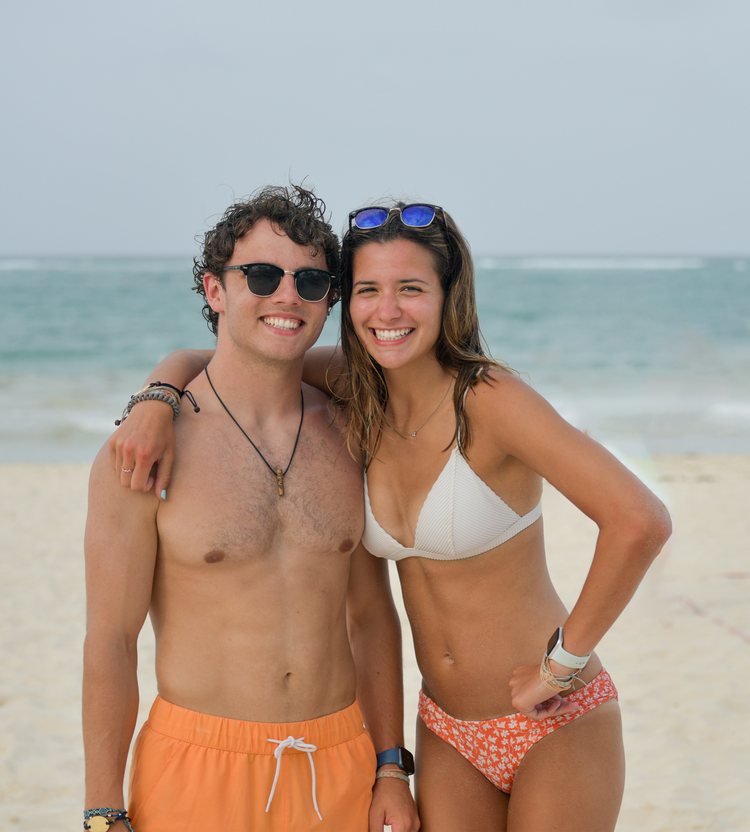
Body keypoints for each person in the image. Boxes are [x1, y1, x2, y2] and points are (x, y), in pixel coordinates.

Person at [111, 201, 672, 831]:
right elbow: (223, 357)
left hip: (553, 721)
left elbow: (639, 520)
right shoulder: (355, 390)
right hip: (444, 731)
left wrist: (561, 662)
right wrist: (156, 399)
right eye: (368, 290)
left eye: (411, 289)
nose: (388, 311)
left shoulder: (490, 400)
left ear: (446, 296)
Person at [83, 186, 420, 832]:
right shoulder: (146, 449)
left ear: (330, 301)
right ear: (216, 291)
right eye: (262, 275)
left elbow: (373, 616)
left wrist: (390, 766)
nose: (287, 296)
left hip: (339, 765)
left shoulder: (353, 433)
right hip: (195, 768)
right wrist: (103, 811)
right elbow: (111, 642)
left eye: (312, 281)